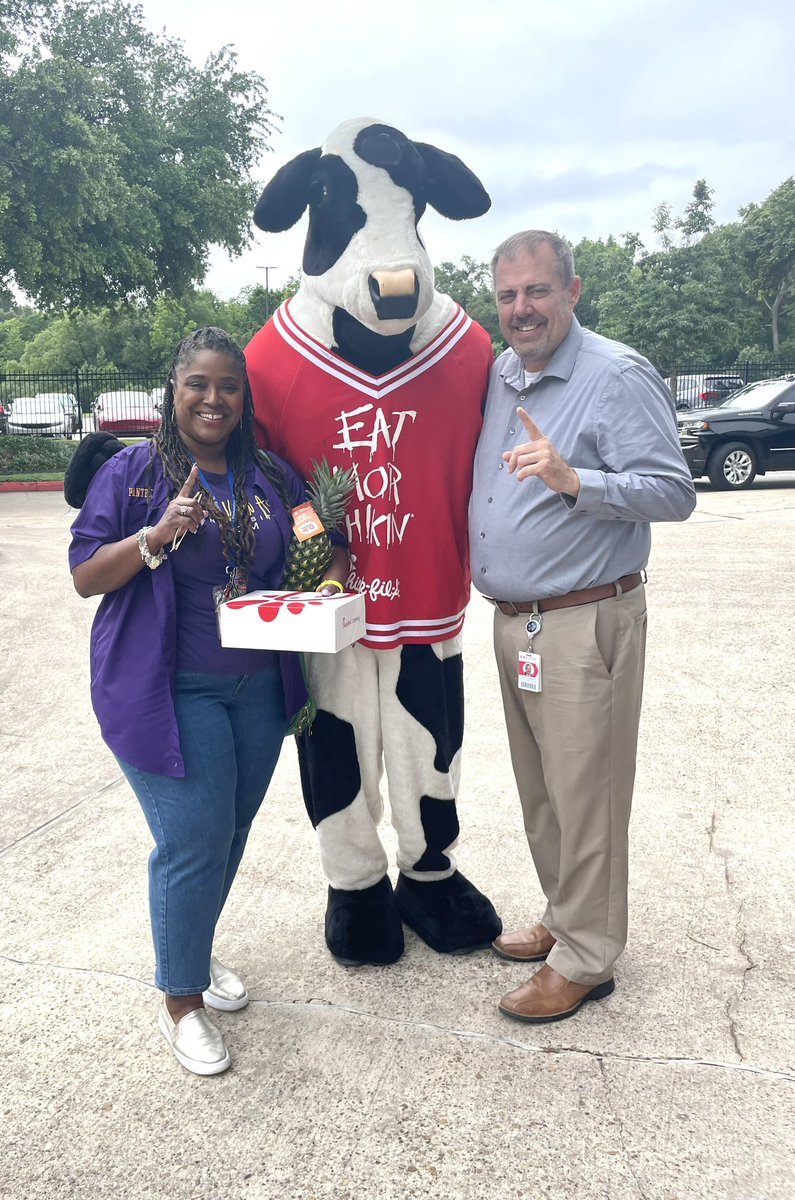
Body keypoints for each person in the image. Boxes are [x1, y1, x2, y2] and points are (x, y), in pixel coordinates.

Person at [69, 327, 348, 1075]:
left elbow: (321, 536)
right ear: (173, 389)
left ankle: (190, 950)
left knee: (228, 832)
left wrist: (326, 584)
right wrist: (153, 537)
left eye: (228, 385)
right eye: (198, 383)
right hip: (167, 689)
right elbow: (87, 574)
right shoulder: (134, 473)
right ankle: (181, 1001)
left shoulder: (272, 478)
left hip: (258, 688)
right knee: (191, 838)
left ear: (243, 396)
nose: (213, 399)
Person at [470, 231, 696, 1024]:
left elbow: (673, 492)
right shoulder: (505, 374)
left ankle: (589, 960)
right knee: (544, 794)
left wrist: (577, 481)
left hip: (583, 618)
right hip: (517, 623)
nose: (521, 310)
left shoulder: (615, 374)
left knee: (587, 793)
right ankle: (568, 919)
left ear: (572, 289)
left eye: (536, 291)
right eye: (506, 296)